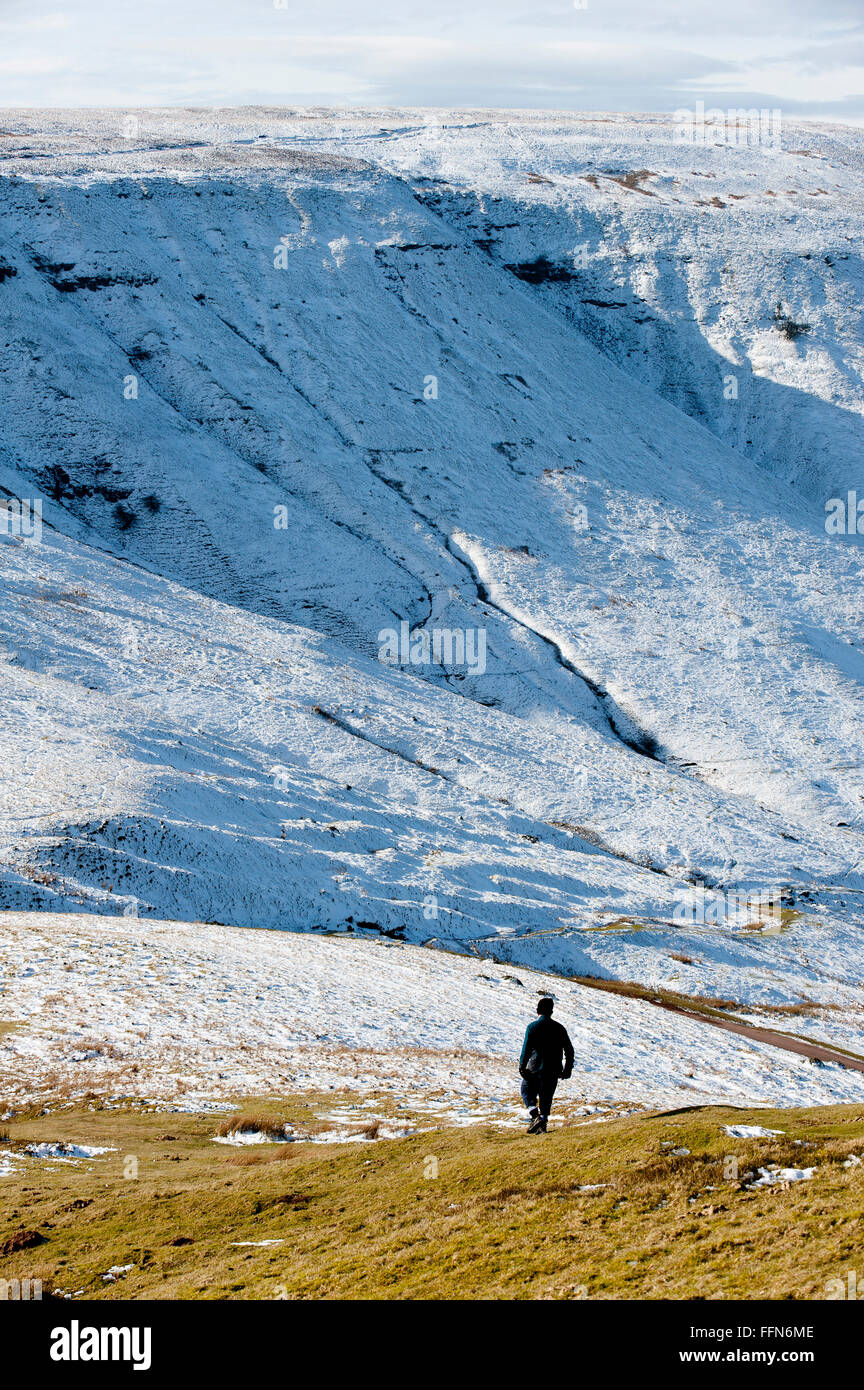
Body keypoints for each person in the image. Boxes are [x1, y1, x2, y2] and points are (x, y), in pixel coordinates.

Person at [519, 996, 574, 1133]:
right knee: (546, 1096)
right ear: (551, 1012)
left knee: (526, 1090)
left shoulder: (532, 1027)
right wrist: (567, 1069)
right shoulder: (560, 1028)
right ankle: (542, 1124)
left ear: (537, 1011)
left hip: (535, 1068)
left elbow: (526, 1049)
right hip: (553, 1069)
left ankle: (535, 1116)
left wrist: (522, 1066)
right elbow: (569, 1050)